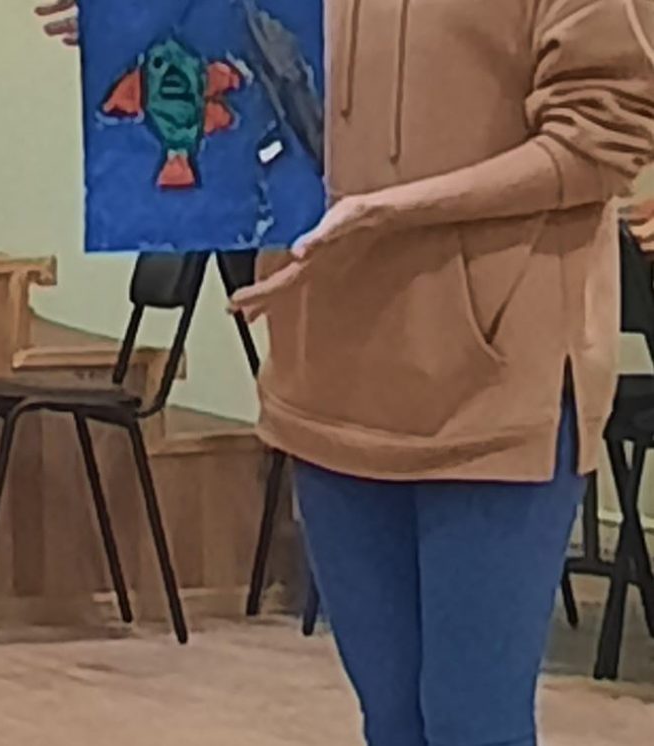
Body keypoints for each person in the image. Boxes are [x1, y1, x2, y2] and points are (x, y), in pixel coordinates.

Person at [41, 2, 654, 745]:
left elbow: (602, 141)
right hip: (326, 370)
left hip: (499, 385)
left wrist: (392, 211)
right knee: (390, 722)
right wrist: (143, 21)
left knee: (473, 725)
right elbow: (256, 44)